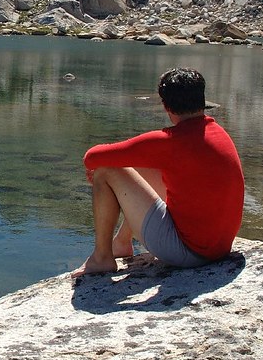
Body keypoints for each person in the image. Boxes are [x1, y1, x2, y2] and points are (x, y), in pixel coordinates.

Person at [72, 67, 244, 277]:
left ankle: (101, 258)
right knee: (144, 167)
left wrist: (103, 175)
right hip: (220, 247)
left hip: (190, 254)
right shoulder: (218, 133)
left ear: (165, 105)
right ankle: (122, 243)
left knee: (105, 171)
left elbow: (92, 157)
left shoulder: (170, 142)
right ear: (202, 99)